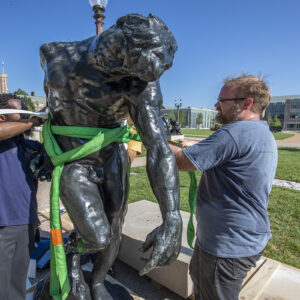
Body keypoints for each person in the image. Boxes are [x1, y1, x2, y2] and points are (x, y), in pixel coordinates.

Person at [40, 13, 182, 300]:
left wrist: (172, 216)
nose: (127, 73)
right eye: (125, 59)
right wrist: (48, 152)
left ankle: (99, 281)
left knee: (115, 226)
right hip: (73, 159)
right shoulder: (52, 53)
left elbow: (158, 147)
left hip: (110, 157)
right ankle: (73, 257)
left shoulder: (138, 82)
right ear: (119, 33)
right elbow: (52, 113)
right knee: (96, 235)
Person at [169, 74, 278, 300]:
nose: (216, 105)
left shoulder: (234, 132)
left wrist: (160, 139)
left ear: (246, 103)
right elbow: (227, 151)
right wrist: (197, 144)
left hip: (227, 246)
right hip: (237, 238)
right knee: (201, 280)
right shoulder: (259, 132)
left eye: (222, 101)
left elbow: (180, 161)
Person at [0, 93, 44, 300]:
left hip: (25, 223)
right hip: (3, 225)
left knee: (16, 283)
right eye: (22, 113)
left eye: (29, 113)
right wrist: (35, 120)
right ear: (2, 116)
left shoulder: (28, 145)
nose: (28, 118)